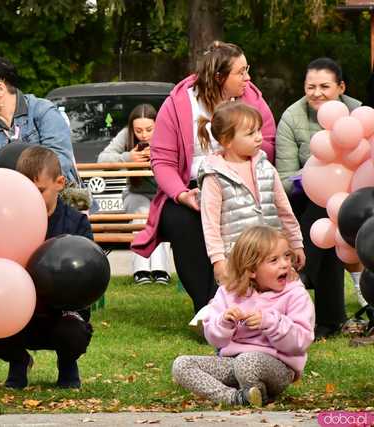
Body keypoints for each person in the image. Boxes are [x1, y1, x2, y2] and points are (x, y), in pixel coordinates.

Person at [131, 41, 276, 314]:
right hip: (190, 188)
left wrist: (237, 166)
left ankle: (239, 302)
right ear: (220, 77)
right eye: (241, 72)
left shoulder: (252, 99)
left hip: (240, 183)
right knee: (181, 221)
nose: (248, 78)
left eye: (248, 70)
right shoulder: (178, 103)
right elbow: (162, 161)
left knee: (239, 218)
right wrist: (182, 195)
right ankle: (207, 306)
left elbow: (267, 142)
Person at [0, 146, 93, 389]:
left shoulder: (76, 222)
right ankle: (19, 361)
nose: (32, 197)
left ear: (60, 183)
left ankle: (68, 364)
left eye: (40, 191)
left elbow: (88, 274)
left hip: (61, 312)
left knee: (73, 333)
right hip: (16, 311)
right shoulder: (6, 222)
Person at [172, 226, 315, 407]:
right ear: (251, 269)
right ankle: (236, 398)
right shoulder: (228, 292)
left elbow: (300, 342)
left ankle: (257, 392)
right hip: (232, 363)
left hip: (277, 367)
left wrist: (270, 322)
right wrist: (224, 323)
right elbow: (215, 340)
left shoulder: (295, 294)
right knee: (182, 365)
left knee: (246, 362)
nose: (285, 264)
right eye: (274, 260)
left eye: (286, 256)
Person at [276, 57, 364, 339]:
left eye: (324, 86)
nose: (316, 93)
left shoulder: (359, 113)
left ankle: (301, 274)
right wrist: (314, 176)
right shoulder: (292, 116)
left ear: (341, 87)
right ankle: (329, 317)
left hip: (356, 199)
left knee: (333, 211)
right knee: (324, 209)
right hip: (305, 199)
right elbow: (284, 177)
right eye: (310, 86)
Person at [198, 101, 305, 284]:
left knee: (290, 299)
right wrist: (218, 260)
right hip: (239, 262)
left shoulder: (266, 168)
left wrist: (296, 243)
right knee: (243, 306)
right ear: (226, 140)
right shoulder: (214, 176)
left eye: (259, 131)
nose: (259, 138)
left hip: (274, 257)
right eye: (250, 133)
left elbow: (284, 210)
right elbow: (210, 223)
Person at [0, 56, 89, 210]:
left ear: (1, 88)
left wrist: (24, 190)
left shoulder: (43, 111)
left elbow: (59, 160)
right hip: (2, 204)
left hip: (52, 202)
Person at [97, 104, 171, 285]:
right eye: (138, 130)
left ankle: (161, 270)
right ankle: (142, 270)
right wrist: (128, 158)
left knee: (159, 219)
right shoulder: (125, 135)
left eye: (149, 130)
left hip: (163, 193)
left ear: (157, 125)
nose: (144, 135)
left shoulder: (168, 133)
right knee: (141, 216)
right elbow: (102, 159)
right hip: (135, 193)